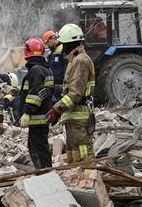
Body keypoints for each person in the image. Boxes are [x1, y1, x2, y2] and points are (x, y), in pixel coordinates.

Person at [47, 24, 96, 163]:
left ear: (70, 43)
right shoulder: (73, 60)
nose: (62, 48)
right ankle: (77, 180)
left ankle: (88, 179)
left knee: (83, 154)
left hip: (79, 117)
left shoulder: (80, 61)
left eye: (64, 44)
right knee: (73, 154)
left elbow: (75, 93)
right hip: (73, 117)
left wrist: (56, 109)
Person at [18, 38, 56, 169]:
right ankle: (46, 172)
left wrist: (27, 112)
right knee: (42, 148)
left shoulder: (35, 70)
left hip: (36, 118)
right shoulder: (46, 70)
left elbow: (35, 94)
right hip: (43, 117)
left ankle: (44, 175)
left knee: (37, 149)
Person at [43, 30, 68, 104]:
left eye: (48, 42)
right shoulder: (52, 52)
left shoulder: (62, 49)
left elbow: (66, 67)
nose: (47, 44)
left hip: (60, 84)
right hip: (54, 85)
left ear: (53, 38)